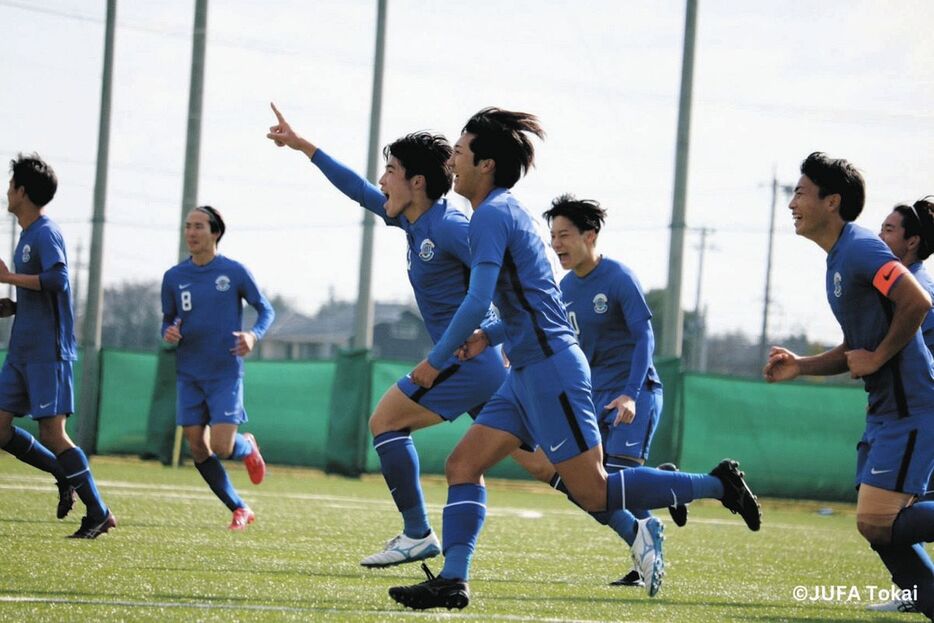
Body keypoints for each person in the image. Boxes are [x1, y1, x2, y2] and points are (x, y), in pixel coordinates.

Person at [388, 107, 761, 611]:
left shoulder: (494, 214)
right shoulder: (492, 214)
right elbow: (533, 297)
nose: (451, 161)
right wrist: (486, 336)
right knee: (463, 463)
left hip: (550, 370)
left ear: (487, 165)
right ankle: (453, 581)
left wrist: (434, 363)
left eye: (460, 152)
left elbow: (479, 298)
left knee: (595, 492)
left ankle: (717, 484)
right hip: (524, 371)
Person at [266, 103, 541, 567]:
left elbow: (504, 290)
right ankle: (634, 525)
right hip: (475, 365)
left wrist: (491, 334)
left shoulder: (451, 226)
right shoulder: (410, 221)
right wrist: (302, 145)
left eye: (390, 170)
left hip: (467, 363)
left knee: (386, 421)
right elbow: (356, 188)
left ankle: (418, 534)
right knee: (544, 465)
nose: (381, 180)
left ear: (417, 183)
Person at [765, 153, 934, 621]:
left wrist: (879, 357)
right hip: (883, 410)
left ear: (832, 201)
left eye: (800, 192)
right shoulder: (839, 259)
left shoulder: (859, 248)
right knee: (876, 526)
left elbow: (916, 302)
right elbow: (855, 347)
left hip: (911, 405)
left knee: (877, 520)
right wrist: (801, 366)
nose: (792, 203)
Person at [542, 193, 687, 588]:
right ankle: (664, 489)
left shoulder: (619, 278)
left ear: (590, 235)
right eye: (552, 236)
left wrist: (629, 393)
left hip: (633, 393)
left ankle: (661, 506)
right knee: (589, 482)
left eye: (564, 235)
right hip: (591, 397)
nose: (556, 245)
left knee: (619, 476)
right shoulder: (564, 287)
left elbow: (644, 337)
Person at [0, 153, 115, 538]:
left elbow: (59, 280)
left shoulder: (45, 232)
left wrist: (11, 278)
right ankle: (61, 472)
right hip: (22, 350)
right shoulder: (26, 235)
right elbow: (41, 291)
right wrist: (13, 305)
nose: (7, 190)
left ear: (23, 191)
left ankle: (98, 513)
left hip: (48, 351)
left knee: (53, 433)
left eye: (12, 184)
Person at [161, 205, 274, 531]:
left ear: (215, 233)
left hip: (225, 371)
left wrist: (253, 335)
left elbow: (266, 310)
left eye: (198, 226)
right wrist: (168, 333)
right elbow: (167, 321)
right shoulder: (174, 277)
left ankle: (246, 446)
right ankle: (239, 508)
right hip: (189, 372)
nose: (191, 233)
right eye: (187, 226)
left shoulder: (234, 272)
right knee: (197, 446)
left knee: (223, 448)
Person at [873, 196, 934, 614]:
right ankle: (919, 591)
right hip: (901, 413)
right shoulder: (897, 284)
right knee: (877, 511)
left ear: (911, 242)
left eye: (889, 230)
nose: (879, 236)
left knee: (882, 515)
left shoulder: (918, 291)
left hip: (921, 414)